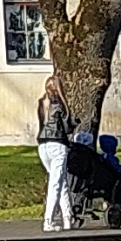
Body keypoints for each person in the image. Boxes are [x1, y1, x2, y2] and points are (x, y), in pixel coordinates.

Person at [36, 76, 78, 231]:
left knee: (60, 182)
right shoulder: (59, 105)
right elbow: (66, 128)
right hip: (57, 144)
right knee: (56, 184)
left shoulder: (42, 103)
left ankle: (68, 218)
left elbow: (42, 124)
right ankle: (48, 221)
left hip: (43, 145)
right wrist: (74, 123)